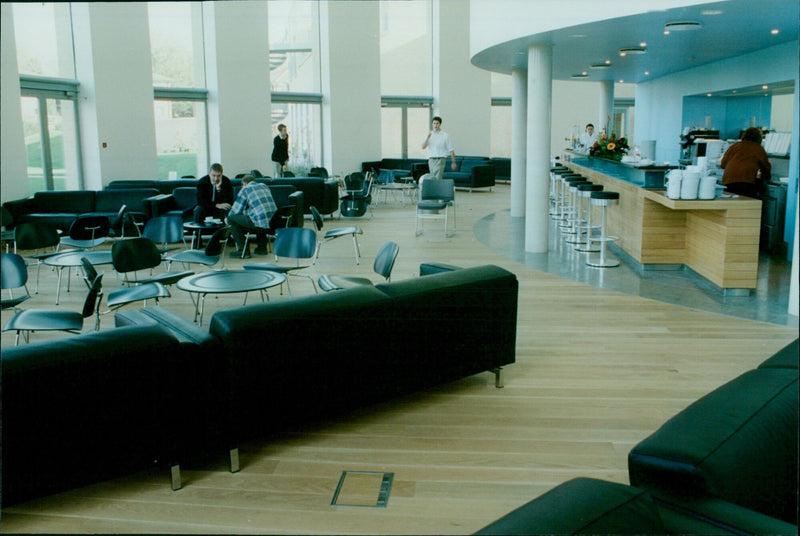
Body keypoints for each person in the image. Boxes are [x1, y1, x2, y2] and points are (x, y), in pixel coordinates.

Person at [227, 175, 278, 258]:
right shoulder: (264, 186)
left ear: (244, 183)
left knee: (231, 220)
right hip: (273, 223)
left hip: (259, 224)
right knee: (260, 216)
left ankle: (243, 251)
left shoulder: (245, 189)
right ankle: (262, 248)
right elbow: (260, 208)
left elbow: (235, 211)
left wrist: (227, 219)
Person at [720, 127, 771, 198]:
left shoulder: (735, 146)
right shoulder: (758, 148)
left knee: (732, 205)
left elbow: (723, 164)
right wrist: (767, 177)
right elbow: (766, 166)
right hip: (746, 182)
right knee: (747, 204)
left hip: (729, 181)